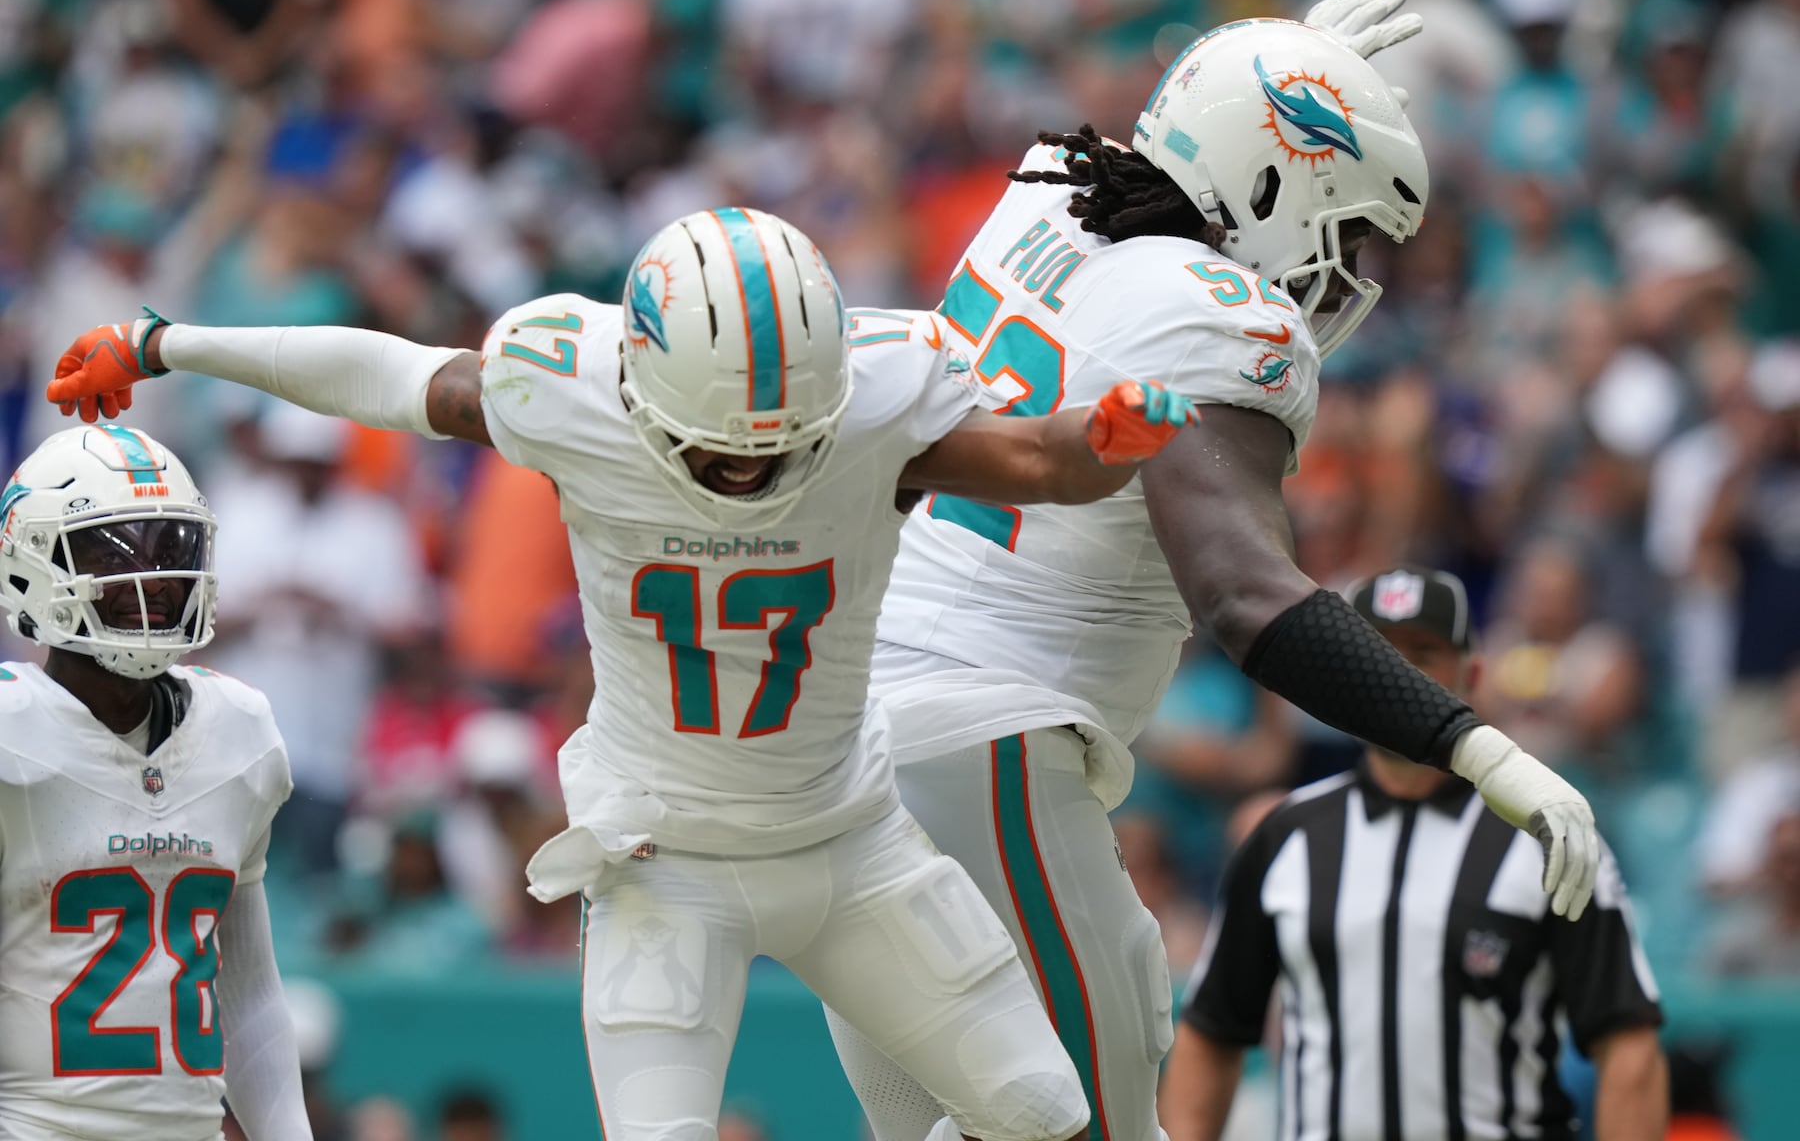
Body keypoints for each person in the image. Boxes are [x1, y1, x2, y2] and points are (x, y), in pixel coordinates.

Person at [45, 206, 1207, 1141]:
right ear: (642, 388)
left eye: (779, 447)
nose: (747, 474)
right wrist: (167, 343)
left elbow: (1032, 454)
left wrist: (1095, 445)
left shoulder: (878, 394)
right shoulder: (573, 386)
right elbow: (391, 375)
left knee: (1048, 1116)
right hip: (665, 860)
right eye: (716, 449)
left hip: (853, 836)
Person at [824, 0, 1600, 1141]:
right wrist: (1475, 747)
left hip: (859, 739)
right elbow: (1244, 595)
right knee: (1092, 1117)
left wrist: (1275, 72)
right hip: (980, 740)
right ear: (1278, 188)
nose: (1342, 271)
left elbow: (1174, 161)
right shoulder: (1218, 317)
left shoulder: (1051, 188)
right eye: (1346, 229)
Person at [1159, 566, 1667, 1141]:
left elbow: (1628, 1045)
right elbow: (1212, 1030)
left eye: (1423, 652)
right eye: (1374, 653)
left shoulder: (1543, 838)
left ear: (1472, 674)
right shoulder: (1285, 836)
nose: (1394, 675)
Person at [0, 424, 309, 1139]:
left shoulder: (240, 732)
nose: (158, 577)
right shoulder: (12, 737)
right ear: (35, 563)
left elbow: (250, 997)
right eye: (119, 549)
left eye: (173, 548)